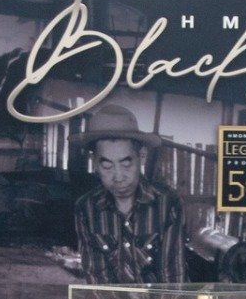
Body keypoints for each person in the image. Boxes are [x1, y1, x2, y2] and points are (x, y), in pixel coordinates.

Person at [73, 105, 185, 286]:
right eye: (107, 166)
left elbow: (173, 277)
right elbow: (97, 279)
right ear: (95, 163)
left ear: (142, 156)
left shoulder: (167, 204)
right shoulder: (86, 209)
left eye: (126, 164)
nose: (118, 176)